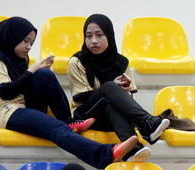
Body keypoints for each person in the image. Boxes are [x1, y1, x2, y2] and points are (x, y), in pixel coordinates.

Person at [0, 17, 137, 169]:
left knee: (44, 75)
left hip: (22, 107)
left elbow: (24, 86)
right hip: (4, 112)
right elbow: (5, 92)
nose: (29, 47)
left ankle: (68, 122)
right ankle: (105, 155)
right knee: (56, 127)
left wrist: (37, 72)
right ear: (12, 37)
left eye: (31, 43)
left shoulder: (17, 60)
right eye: (25, 41)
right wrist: (32, 70)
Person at [68, 14, 171, 162]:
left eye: (99, 35)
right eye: (88, 36)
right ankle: (147, 124)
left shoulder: (122, 62)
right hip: (87, 116)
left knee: (112, 104)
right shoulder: (77, 61)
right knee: (109, 87)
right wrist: (111, 88)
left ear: (109, 36)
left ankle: (132, 150)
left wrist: (125, 91)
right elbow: (82, 97)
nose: (94, 40)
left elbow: (128, 103)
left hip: (111, 117)